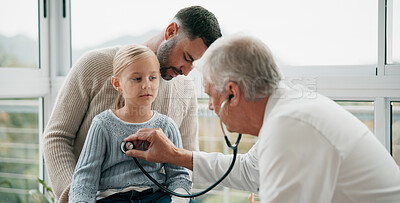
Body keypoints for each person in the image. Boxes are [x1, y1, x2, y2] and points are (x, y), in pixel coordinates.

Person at [124, 34, 400, 202]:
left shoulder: (291, 126)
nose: (210, 107)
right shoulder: (287, 111)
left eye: (211, 95)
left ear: (232, 93)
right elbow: (247, 171)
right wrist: (174, 155)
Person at [42, 6, 222, 203]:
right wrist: (78, 196)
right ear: (171, 31)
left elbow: (185, 160)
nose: (186, 72)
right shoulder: (93, 65)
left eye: (194, 66)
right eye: (187, 58)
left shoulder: (186, 89)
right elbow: (56, 138)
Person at [69, 44, 194, 203]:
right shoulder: (103, 124)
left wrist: (179, 200)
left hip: (155, 196)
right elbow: (85, 177)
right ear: (117, 84)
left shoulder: (166, 126)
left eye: (152, 78)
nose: (146, 85)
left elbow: (179, 175)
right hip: (113, 198)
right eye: (137, 78)